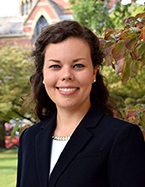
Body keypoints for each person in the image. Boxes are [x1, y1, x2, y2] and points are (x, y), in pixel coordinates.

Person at [16, 20, 145, 187]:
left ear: (94, 72)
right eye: (55, 66)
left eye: (78, 65)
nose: (66, 75)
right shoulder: (30, 138)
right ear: (43, 74)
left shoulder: (121, 136)